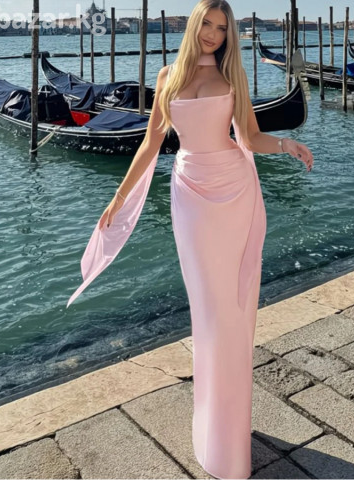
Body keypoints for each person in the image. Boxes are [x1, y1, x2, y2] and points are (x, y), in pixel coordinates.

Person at [67, 1, 313, 478]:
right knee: (208, 309)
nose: (214, 34)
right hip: (191, 196)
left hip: (233, 192)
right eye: (208, 24)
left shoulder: (233, 76)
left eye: (222, 28)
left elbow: (250, 138)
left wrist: (287, 144)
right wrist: (119, 198)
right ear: (194, 25)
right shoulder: (167, 77)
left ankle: (227, 437)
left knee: (231, 311)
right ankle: (214, 427)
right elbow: (150, 142)